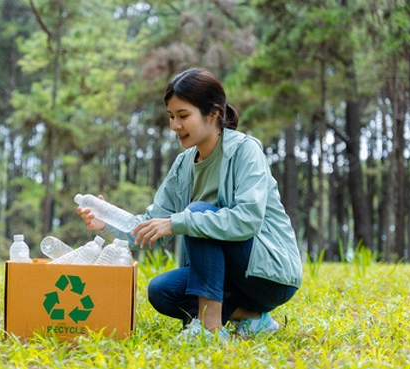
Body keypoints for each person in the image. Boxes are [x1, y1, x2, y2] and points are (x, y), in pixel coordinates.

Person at [78, 68, 302, 342]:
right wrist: (107, 225)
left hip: (268, 276)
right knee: (162, 291)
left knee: (195, 212)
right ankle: (254, 319)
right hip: (228, 281)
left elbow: (247, 219)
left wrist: (179, 222)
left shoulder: (245, 151)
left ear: (214, 114)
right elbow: (154, 224)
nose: (175, 125)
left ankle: (209, 330)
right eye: (171, 117)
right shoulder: (183, 165)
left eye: (183, 116)